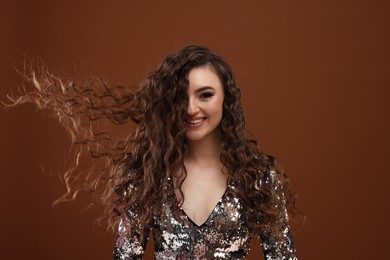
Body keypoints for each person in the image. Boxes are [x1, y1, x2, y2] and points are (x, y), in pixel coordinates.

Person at [5, 45, 299, 259]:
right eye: (180, 97)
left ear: (226, 99)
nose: (191, 108)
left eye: (205, 95)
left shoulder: (259, 177)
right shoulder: (145, 175)